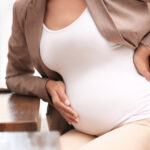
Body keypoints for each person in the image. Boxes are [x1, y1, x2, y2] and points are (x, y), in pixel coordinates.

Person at [6, 0, 150, 149]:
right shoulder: (25, 8)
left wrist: (146, 47)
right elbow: (15, 76)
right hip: (83, 132)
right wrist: (47, 86)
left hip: (141, 118)